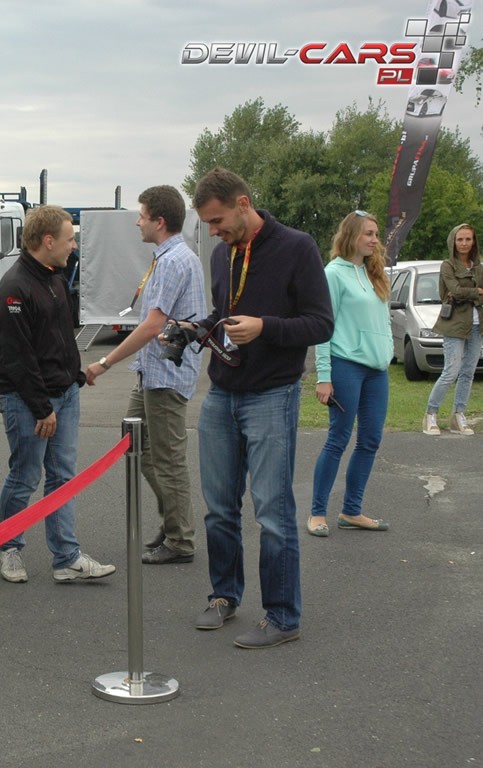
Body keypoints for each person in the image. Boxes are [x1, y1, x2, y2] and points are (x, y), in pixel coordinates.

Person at [187, 168, 333, 649]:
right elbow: (224, 313)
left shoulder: (297, 247)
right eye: (208, 224)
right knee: (218, 509)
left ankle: (283, 617)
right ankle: (224, 596)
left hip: (272, 393)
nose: (214, 231)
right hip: (222, 392)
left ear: (244, 204)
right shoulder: (221, 253)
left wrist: (265, 327)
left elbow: (320, 324)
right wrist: (196, 329)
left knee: (272, 511)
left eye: (218, 220)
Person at [0, 205, 117, 585]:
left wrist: (74, 375)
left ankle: (67, 559)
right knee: (25, 476)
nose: (73, 246)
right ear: (48, 241)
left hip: (64, 395)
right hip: (27, 401)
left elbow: (60, 338)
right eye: (69, 239)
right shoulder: (14, 288)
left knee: (63, 477)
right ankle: (9, 548)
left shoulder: (55, 279)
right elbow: (17, 358)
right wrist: (42, 407)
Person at [85, 185, 206, 564]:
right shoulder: (171, 257)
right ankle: (174, 524)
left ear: (160, 221)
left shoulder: (172, 261)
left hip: (166, 376)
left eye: (141, 216)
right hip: (153, 373)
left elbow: (153, 326)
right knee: (136, 444)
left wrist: (104, 363)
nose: (137, 222)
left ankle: (180, 540)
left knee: (167, 458)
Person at [308, 211, 394, 537]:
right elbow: (323, 328)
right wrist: (323, 376)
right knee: (338, 439)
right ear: (351, 236)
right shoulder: (333, 274)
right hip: (346, 365)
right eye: (368, 233)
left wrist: (387, 351)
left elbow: (382, 321)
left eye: (376, 234)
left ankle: (351, 511)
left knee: (370, 440)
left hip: (377, 371)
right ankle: (317, 513)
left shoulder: (374, 274)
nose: (374, 239)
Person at [422, 223, 483, 436]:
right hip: (454, 324)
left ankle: (458, 415)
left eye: (468, 239)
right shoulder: (447, 265)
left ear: (474, 241)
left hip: (477, 325)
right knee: (450, 372)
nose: (464, 243)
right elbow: (454, 291)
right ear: (453, 242)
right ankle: (430, 414)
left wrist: (470, 292)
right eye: (460, 239)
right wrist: (478, 291)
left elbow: (461, 292)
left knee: (468, 372)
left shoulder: (478, 266)